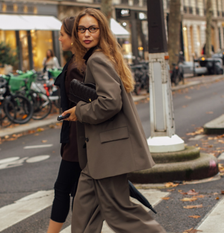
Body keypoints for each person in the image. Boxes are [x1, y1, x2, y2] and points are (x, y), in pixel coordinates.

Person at [61, 8, 166, 233]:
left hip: (109, 151)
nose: (86, 34)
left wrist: (80, 112)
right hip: (99, 154)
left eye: (92, 28)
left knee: (119, 212)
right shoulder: (101, 56)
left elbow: (110, 103)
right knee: (84, 213)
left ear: (101, 31)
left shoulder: (97, 60)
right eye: (81, 29)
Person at [46, 16, 84, 233]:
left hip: (77, 141)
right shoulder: (75, 62)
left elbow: (82, 106)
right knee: (78, 191)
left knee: (62, 188)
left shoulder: (76, 66)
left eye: (62, 34)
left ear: (72, 37)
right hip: (76, 139)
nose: (59, 39)